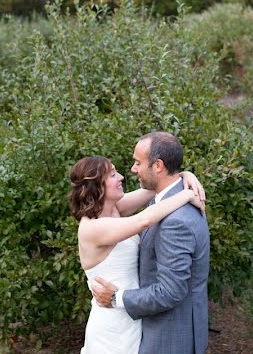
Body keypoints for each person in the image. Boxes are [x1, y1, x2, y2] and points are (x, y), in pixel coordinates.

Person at [68, 138, 206, 354]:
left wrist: (187, 176)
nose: (122, 176)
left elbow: (159, 186)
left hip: (133, 316)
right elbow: (145, 219)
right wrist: (187, 194)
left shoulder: (116, 209)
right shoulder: (91, 228)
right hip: (112, 322)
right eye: (113, 174)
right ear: (98, 185)